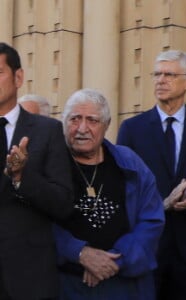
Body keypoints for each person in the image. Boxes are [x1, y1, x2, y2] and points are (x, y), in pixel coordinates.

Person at [117, 50, 186, 300]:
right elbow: (122, 188)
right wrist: (161, 204)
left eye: (169, 74)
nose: (161, 80)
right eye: (157, 74)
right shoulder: (132, 129)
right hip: (147, 248)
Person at [53, 88, 165, 300]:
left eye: (92, 120)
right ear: (64, 123)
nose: (82, 128)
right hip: (67, 284)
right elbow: (37, 222)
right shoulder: (51, 165)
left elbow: (151, 220)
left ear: (106, 125)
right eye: (75, 119)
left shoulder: (129, 163)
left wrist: (113, 261)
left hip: (124, 284)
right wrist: (79, 253)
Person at [0, 42, 73, 300]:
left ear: (18, 77)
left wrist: (22, 178)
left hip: (29, 276)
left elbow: (63, 202)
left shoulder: (47, 131)